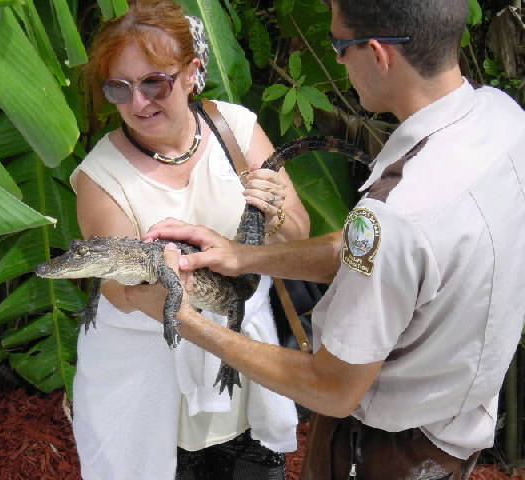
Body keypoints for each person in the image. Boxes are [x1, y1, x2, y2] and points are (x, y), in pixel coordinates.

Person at [145, 0, 525, 479]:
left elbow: (332, 388)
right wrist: (244, 257)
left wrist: (181, 318)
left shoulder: (397, 216)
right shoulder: (503, 119)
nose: (339, 60)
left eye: (339, 45)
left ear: (378, 54)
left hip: (382, 452)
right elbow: (391, 259)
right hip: (458, 423)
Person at [70, 1, 310, 479]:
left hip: (242, 365)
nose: (138, 103)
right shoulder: (100, 176)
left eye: (154, 83)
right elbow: (122, 288)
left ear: (192, 72)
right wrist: (163, 291)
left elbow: (298, 235)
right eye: (119, 87)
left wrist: (275, 211)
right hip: (149, 378)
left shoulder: (236, 129)